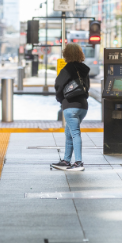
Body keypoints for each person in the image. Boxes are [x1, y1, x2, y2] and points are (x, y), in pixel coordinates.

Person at [51, 43, 92, 172]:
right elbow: (87, 87)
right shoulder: (84, 69)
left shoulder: (68, 69)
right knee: (69, 133)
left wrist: (61, 100)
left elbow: (58, 86)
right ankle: (66, 160)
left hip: (70, 105)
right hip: (83, 106)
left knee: (75, 133)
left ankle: (78, 162)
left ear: (66, 54)